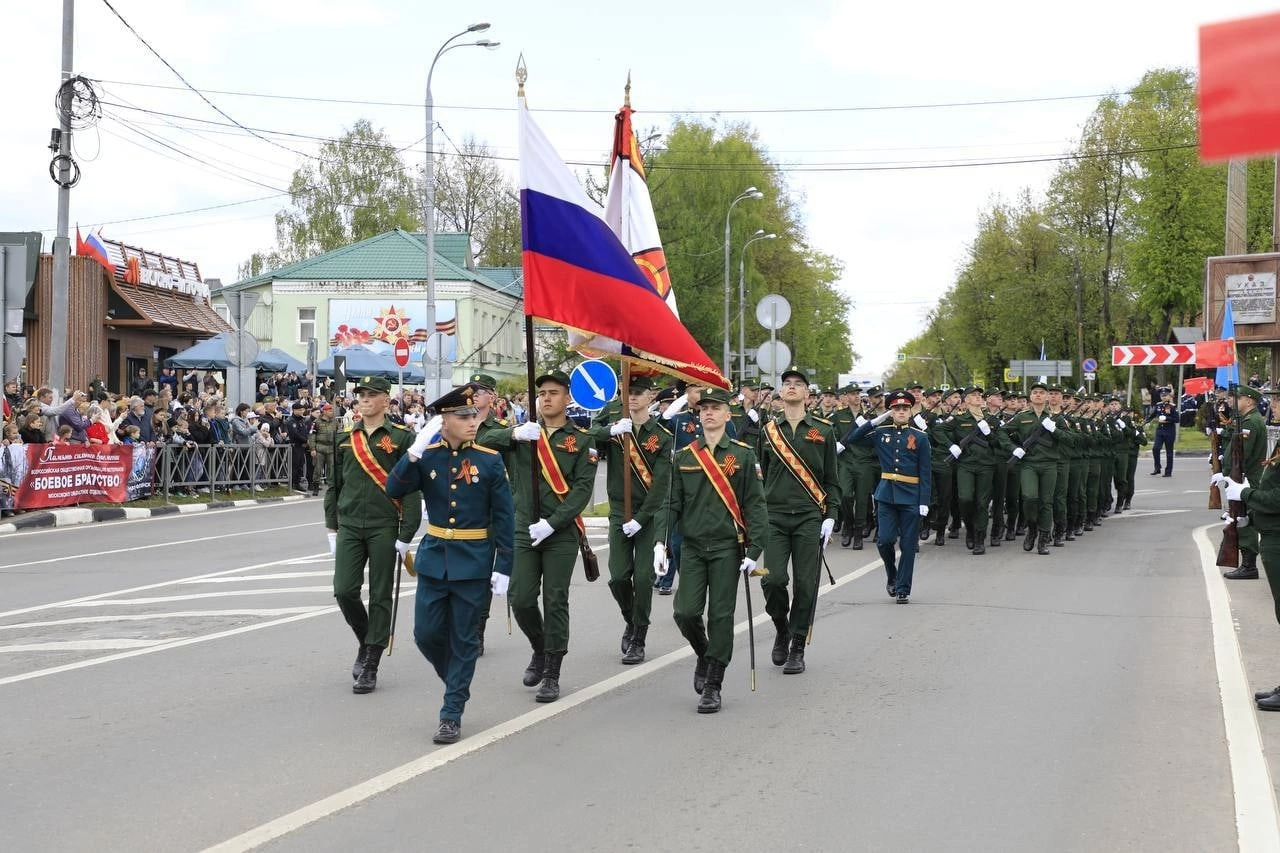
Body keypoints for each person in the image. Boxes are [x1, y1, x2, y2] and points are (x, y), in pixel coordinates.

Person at [386, 384, 514, 745]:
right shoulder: (428, 457)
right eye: (463, 416)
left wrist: (504, 565)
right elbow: (393, 490)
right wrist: (413, 451)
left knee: (463, 640)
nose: (473, 421)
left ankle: (451, 711)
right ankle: (458, 683)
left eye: (474, 414)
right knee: (425, 634)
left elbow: (505, 518)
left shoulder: (489, 460)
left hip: (473, 564)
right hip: (434, 559)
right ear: (444, 421)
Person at [482, 370, 596, 704]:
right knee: (520, 597)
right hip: (523, 527)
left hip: (559, 532)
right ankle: (540, 647)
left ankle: (552, 671)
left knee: (555, 598)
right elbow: (480, 440)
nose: (546, 398)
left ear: (567, 398)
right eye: (542, 393)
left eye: (553, 393)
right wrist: (514, 434)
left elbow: (581, 492)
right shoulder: (523, 434)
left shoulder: (582, 440)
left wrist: (554, 522)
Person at [667, 386, 768, 713]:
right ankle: (705, 653)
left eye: (715, 408)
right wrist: (660, 542)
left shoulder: (742, 455)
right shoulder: (684, 457)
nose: (708, 412)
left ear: (728, 414)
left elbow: (755, 506)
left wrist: (754, 550)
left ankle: (713, 683)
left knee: (721, 616)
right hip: (693, 547)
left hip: (727, 547)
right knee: (685, 612)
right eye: (704, 408)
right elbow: (671, 505)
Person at [324, 376, 423, 694]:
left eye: (371, 395)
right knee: (344, 590)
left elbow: (410, 488)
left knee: (381, 594)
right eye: (361, 395)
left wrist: (406, 532)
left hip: (384, 525)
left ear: (385, 400)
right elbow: (334, 484)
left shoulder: (401, 438)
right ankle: (366, 640)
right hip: (351, 525)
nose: (364, 400)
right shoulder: (344, 438)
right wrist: (331, 525)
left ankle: (371, 663)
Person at [757, 367, 840, 674]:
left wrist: (831, 515)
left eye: (798, 384)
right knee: (772, 579)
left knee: (806, 585)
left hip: (808, 517)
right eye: (787, 384)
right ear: (780, 393)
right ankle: (782, 627)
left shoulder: (824, 430)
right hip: (774, 518)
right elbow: (758, 479)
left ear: (808, 394)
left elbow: (832, 478)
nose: (791, 388)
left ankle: (798, 646)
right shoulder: (767, 432)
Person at [591, 374, 671, 665]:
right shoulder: (615, 422)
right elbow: (589, 434)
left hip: (645, 516)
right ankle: (631, 618)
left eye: (639, 392)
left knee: (644, 577)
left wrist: (642, 518)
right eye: (629, 391)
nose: (633, 397)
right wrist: (612, 430)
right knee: (619, 576)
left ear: (650, 396)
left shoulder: (660, 436)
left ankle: (639, 636)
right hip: (618, 512)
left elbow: (662, 483)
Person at [844, 389, 932, 602]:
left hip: (911, 496)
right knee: (884, 541)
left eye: (905, 408)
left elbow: (925, 472)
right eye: (896, 408)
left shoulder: (920, 437)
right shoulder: (881, 433)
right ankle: (892, 575)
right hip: (886, 496)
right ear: (891, 411)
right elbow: (853, 439)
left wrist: (924, 501)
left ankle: (903, 588)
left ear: (910, 411)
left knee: (908, 545)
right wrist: (874, 421)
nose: (901, 411)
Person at [1002, 381, 1069, 555]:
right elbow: (1002, 432)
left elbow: (1071, 440)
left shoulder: (1057, 418)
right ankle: (1032, 528)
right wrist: (1013, 448)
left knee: (1046, 502)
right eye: (1035, 392)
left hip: (1049, 464)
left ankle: (1043, 538)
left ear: (1047, 397)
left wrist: (1055, 430)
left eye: (1042, 392)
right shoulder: (1022, 416)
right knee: (1029, 497)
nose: (1038, 394)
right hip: (1029, 464)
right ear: (1031, 397)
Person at [1217, 385, 1268, 580]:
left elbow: (1243, 453)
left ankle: (1249, 566)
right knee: (1239, 517)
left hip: (1245, 477)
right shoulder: (1247, 420)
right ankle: (1247, 563)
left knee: (1243, 519)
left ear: (1249, 401)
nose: (1234, 401)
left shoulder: (1251, 422)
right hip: (1240, 476)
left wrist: (1232, 474)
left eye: (1239, 398)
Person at [1148, 387, 1177, 476]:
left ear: (1169, 396)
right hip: (1160, 430)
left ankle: (1168, 471)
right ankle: (1157, 467)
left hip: (1169, 431)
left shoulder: (1172, 406)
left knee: (1169, 452)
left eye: (1165, 395)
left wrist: (1166, 418)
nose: (1164, 397)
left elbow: (1177, 419)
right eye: (1162, 395)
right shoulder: (1158, 405)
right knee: (1155, 448)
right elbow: (1152, 415)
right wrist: (1145, 421)